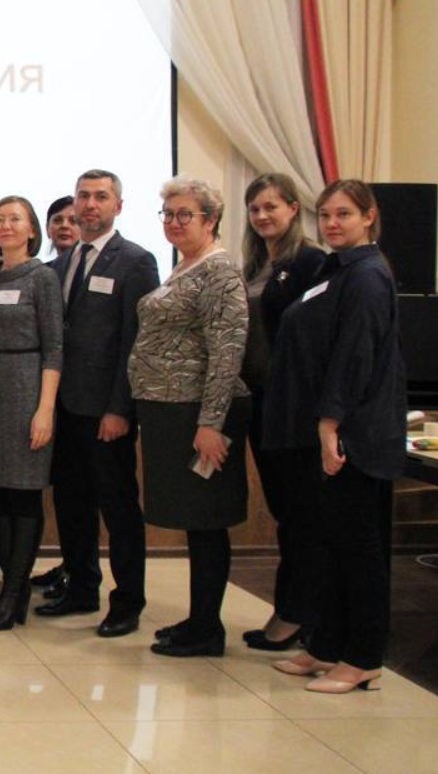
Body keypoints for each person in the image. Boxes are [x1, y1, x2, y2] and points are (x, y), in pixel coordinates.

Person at [267, 180, 406, 694]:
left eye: (344, 214)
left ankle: (363, 657)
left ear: (369, 217)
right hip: (322, 425)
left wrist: (330, 424)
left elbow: (355, 355)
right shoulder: (336, 269)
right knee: (328, 543)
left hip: (353, 431)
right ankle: (326, 646)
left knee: (357, 549)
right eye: (325, 215)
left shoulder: (368, 275)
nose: (331, 224)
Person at [130, 179, 251, 657]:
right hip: (170, 413)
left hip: (197, 415)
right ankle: (199, 618)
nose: (174, 222)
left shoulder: (219, 272)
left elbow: (227, 351)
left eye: (185, 214)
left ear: (210, 219)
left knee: (206, 520)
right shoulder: (185, 266)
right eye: (168, 214)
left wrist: (211, 424)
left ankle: (207, 629)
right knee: (193, 521)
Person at [43, 169, 160, 638]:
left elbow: (137, 341)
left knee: (118, 508)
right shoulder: (61, 264)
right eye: (84, 196)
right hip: (64, 407)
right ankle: (81, 587)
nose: (90, 204)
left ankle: (127, 601)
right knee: (71, 502)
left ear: (118, 205)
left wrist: (120, 409)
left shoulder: (136, 261)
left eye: (101, 196)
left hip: (105, 411)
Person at [0, 198, 63, 628]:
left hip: (26, 392)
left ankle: (15, 591)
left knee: (23, 495)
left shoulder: (43, 277)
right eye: (0, 219)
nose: (6, 226)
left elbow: (54, 347)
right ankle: (10, 589)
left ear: (32, 229)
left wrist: (45, 410)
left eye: (15, 219)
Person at [239, 173, 327, 651]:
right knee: (284, 510)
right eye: (255, 208)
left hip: (294, 408)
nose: (262, 216)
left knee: (301, 514)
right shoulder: (257, 265)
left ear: (294, 208)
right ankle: (292, 608)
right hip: (261, 403)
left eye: (271, 206)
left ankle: (300, 614)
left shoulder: (311, 262)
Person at [32, 193, 82, 595]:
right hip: (47, 395)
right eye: (57, 220)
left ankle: (82, 575)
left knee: (86, 493)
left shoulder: (120, 262)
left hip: (86, 398)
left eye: (72, 219)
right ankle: (69, 564)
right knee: (63, 491)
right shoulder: (44, 272)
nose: (65, 226)